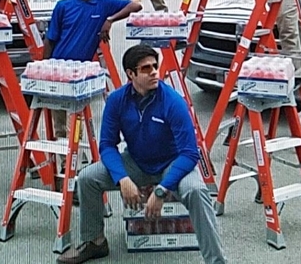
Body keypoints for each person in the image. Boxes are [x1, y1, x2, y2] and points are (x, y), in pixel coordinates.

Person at [56, 44, 227, 264]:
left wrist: (162, 189)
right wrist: (122, 178)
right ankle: (94, 242)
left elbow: (190, 153)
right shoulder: (117, 100)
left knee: (196, 190)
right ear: (131, 74)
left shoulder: (173, 101)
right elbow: (107, 145)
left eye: (155, 66)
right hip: (136, 162)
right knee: (88, 178)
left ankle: (216, 261)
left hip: (172, 164)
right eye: (146, 68)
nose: (154, 71)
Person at [43, 0, 142, 172]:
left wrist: (110, 20)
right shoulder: (63, 6)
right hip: (59, 72)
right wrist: (45, 70)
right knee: (61, 125)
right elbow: (50, 40)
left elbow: (135, 6)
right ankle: (65, 168)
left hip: (81, 76)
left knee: (78, 122)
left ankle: (76, 164)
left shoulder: (104, 5)